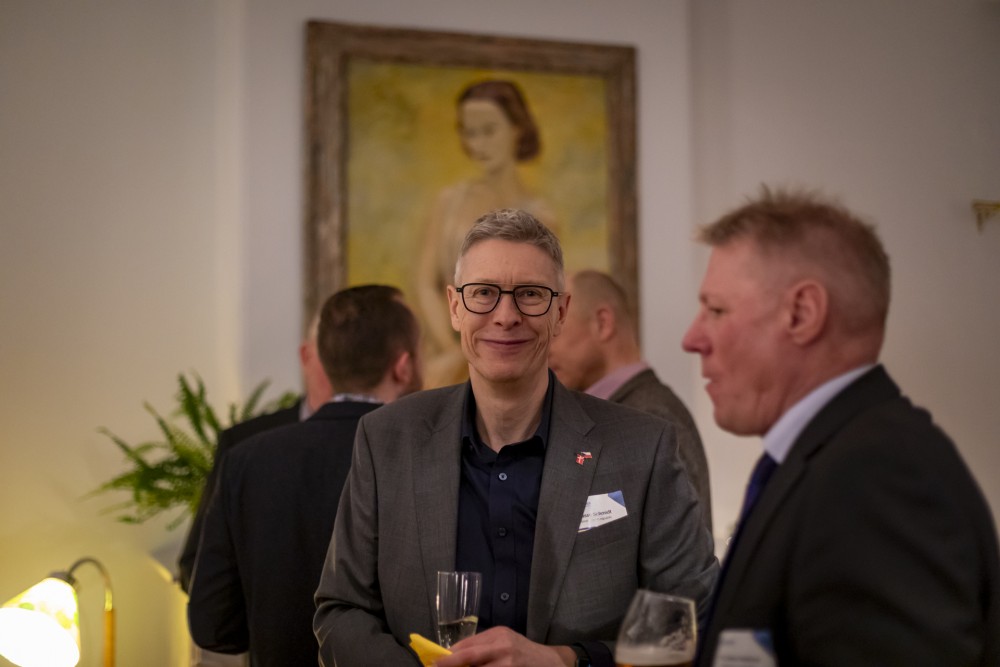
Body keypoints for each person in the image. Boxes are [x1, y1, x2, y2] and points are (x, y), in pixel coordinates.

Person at [315, 209, 718, 667]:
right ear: (454, 307)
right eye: (483, 293)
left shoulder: (643, 447)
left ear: (560, 312)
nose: (506, 316)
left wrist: (567, 661)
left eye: (530, 294)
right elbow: (341, 610)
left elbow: (697, 617)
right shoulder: (386, 438)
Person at [683, 187, 1000, 665]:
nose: (692, 339)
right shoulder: (838, 456)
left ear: (802, 314)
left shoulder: (876, 475)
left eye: (717, 310)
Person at [187, 285, 423, 667]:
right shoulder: (421, 457)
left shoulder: (245, 460)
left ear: (325, 360)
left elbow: (213, 626)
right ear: (403, 366)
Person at [177, 313, 333, 594]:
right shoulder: (244, 444)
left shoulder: (388, 441)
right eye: (333, 354)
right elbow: (196, 566)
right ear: (307, 355)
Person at [417, 80, 557, 388]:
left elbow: (542, 298)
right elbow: (426, 283)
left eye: (489, 131)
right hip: (450, 354)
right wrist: (455, 350)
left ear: (517, 128)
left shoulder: (542, 216)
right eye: (471, 133)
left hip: (507, 357)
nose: (479, 144)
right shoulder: (450, 201)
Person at [549, 269, 712, 532]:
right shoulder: (606, 414)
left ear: (603, 323)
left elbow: (680, 546)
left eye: (556, 328)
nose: (544, 346)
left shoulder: (653, 416)